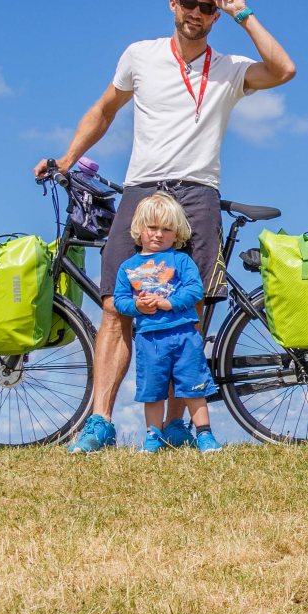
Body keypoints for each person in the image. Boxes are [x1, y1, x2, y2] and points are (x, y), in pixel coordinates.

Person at [33, 0, 296, 452]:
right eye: (188, 4)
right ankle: (100, 423)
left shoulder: (230, 67)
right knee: (116, 306)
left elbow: (283, 70)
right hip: (143, 190)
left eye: (207, 8)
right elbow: (105, 109)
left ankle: (177, 425)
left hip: (197, 193)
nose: (196, 13)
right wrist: (67, 159)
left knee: (189, 312)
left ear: (215, 15)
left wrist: (244, 14)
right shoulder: (140, 55)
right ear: (172, 5)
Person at [112, 193, 222, 453]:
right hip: (150, 339)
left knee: (193, 386)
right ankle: (153, 435)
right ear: (139, 229)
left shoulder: (182, 261)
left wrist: (168, 303)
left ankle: (204, 434)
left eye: (166, 229)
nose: (158, 234)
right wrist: (137, 306)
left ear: (177, 234)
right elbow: (120, 301)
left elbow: (196, 290)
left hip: (185, 335)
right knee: (152, 390)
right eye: (152, 227)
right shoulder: (128, 267)